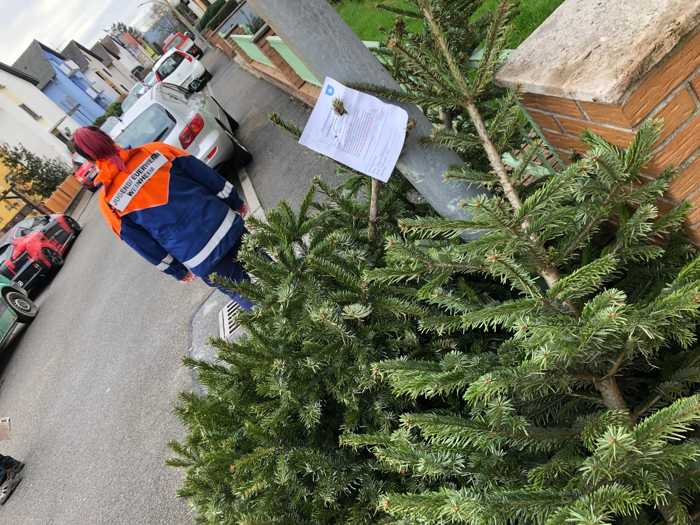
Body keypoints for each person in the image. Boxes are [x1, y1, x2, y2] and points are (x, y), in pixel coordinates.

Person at [71, 127, 253, 310]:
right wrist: (235, 201)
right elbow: (205, 176)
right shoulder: (156, 150)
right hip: (227, 225)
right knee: (275, 273)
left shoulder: (109, 203)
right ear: (108, 137)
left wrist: (177, 271)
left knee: (250, 298)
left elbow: (143, 245)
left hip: (200, 256)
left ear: (89, 160)